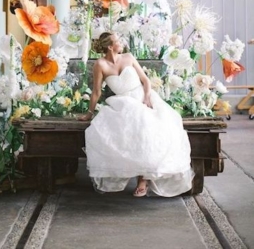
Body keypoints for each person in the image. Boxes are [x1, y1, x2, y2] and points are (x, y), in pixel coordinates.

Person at [79, 32, 194, 197]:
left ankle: (143, 179)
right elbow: (96, 92)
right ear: (110, 46)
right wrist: (89, 114)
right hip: (122, 102)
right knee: (118, 129)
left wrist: (147, 97)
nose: (121, 42)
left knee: (145, 125)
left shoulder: (128, 57)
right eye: (118, 40)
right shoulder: (101, 64)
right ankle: (134, 173)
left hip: (142, 97)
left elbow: (145, 80)